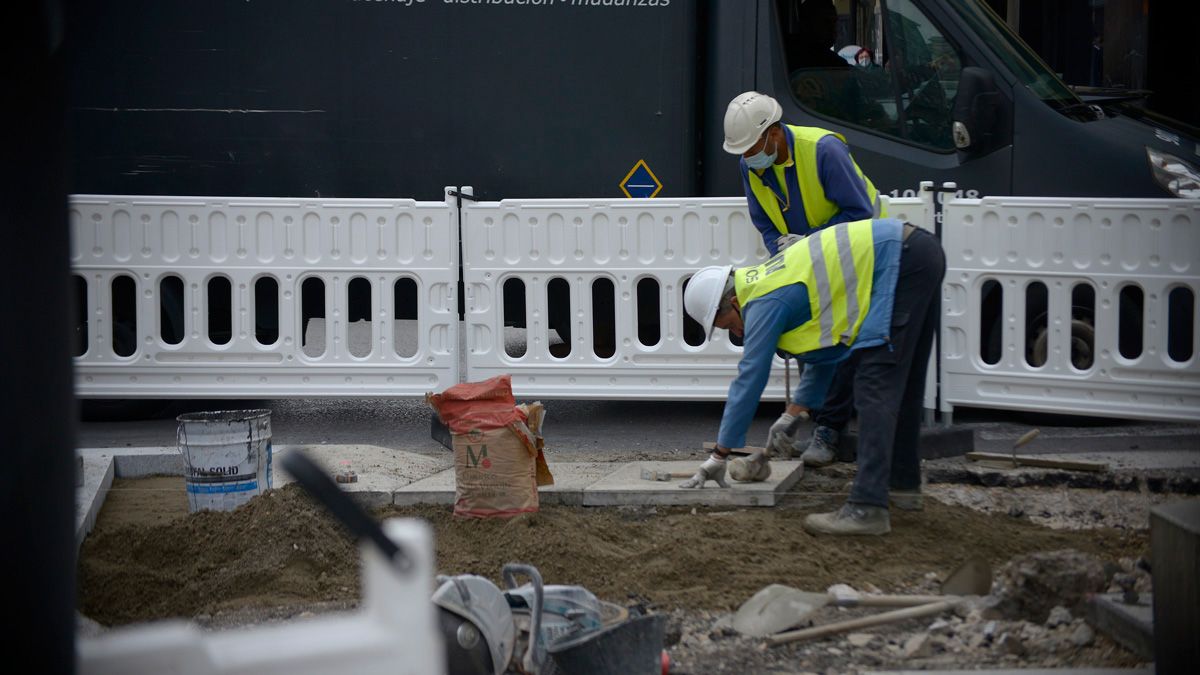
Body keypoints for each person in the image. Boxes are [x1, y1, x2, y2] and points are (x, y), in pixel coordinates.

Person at [678, 218, 946, 536]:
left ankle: (867, 507)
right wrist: (792, 414)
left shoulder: (763, 300)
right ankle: (902, 485)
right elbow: (825, 352)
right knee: (906, 383)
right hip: (915, 252)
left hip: (899, 260)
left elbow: (750, 377)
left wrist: (719, 455)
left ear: (734, 302)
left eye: (730, 326)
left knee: (875, 383)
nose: (737, 333)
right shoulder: (774, 281)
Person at [721, 90, 884, 463]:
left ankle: (830, 431)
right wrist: (782, 251)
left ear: (774, 133)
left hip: (858, 254)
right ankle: (815, 425)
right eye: (742, 152)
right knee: (811, 340)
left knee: (838, 342)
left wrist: (809, 242)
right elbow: (764, 221)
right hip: (808, 263)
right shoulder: (750, 165)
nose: (748, 159)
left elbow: (860, 213)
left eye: (752, 148)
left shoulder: (824, 150)